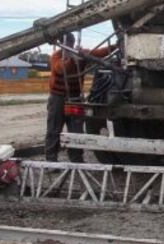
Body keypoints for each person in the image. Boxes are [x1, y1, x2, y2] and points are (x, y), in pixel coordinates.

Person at [46, 33, 113, 163]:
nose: (69, 45)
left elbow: (97, 53)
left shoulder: (80, 53)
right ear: (62, 44)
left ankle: (76, 160)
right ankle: (51, 160)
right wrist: (74, 59)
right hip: (58, 98)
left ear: (73, 42)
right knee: (54, 130)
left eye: (71, 42)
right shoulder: (56, 56)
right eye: (67, 43)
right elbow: (61, 68)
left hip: (75, 97)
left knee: (76, 131)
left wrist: (115, 46)